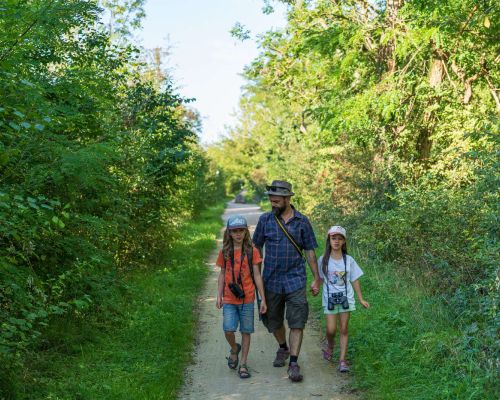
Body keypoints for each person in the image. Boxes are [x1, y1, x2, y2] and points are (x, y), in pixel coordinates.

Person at [252, 180, 321, 382]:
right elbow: (256, 248)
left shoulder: (302, 222)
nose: (273, 204)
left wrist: (316, 278)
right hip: (271, 280)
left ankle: (293, 363)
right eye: (271, 201)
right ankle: (283, 347)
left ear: (287, 199)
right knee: (272, 320)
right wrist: (253, 273)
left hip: (295, 279)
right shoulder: (265, 220)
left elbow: (309, 250)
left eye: (276, 201)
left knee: (297, 319)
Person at [216, 214, 267, 379]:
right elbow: (222, 274)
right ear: (229, 233)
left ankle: (243, 364)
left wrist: (263, 299)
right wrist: (219, 295)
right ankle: (233, 349)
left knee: (246, 331)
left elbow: (257, 275)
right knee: (228, 329)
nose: (238, 234)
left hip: (248, 297)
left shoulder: (253, 251)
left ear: (246, 232)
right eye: (234, 231)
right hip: (230, 298)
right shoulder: (225, 252)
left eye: (241, 231)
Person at [318, 225, 370, 372]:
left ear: (344, 242)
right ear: (329, 239)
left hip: (346, 299)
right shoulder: (323, 260)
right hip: (329, 300)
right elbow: (320, 279)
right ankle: (330, 345)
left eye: (340, 239)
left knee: (344, 328)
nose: (336, 241)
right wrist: (315, 286)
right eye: (334, 238)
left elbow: (354, 279)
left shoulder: (349, 260)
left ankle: (342, 360)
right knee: (331, 329)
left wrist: (361, 299)